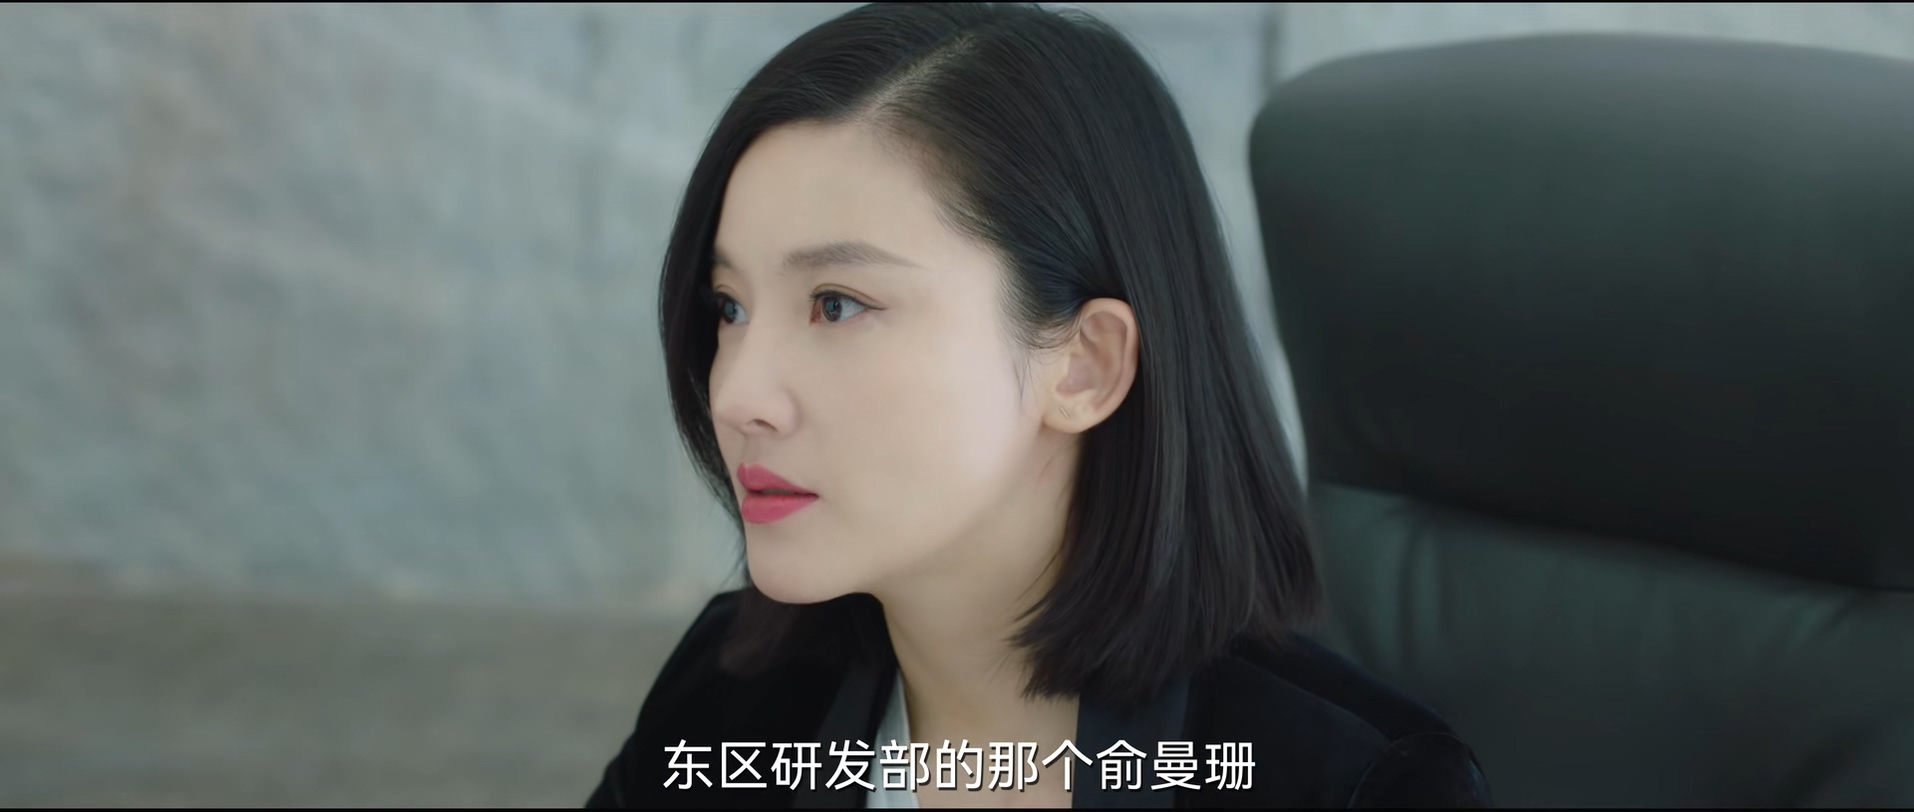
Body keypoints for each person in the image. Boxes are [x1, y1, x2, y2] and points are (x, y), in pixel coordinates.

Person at [588, 3, 1492, 808]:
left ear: (1084, 367)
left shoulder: (1356, 786)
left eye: (837, 304)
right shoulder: (731, 703)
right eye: (729, 308)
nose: (738, 395)